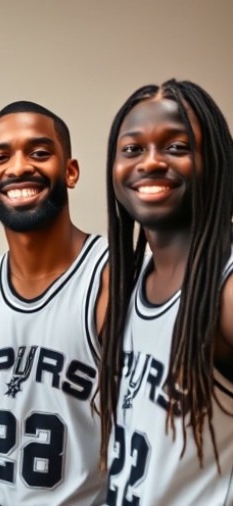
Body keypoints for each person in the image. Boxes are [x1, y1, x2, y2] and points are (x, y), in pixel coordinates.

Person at [0, 101, 107, 505]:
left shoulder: (114, 281)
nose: (18, 168)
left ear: (70, 171)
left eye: (38, 152)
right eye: (0, 157)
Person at [100, 80, 233, 505]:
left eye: (176, 147)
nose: (151, 162)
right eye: (133, 149)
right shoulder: (127, 284)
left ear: (215, 160)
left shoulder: (226, 289)